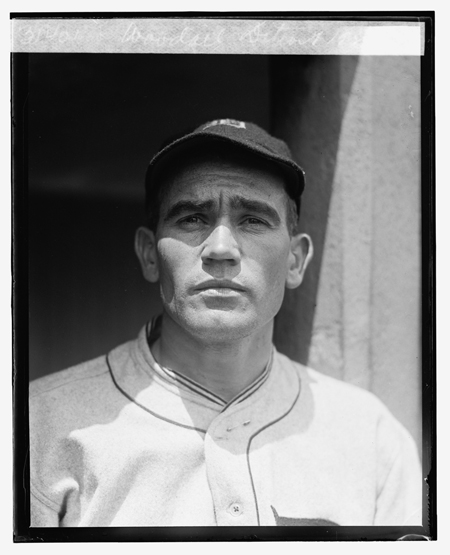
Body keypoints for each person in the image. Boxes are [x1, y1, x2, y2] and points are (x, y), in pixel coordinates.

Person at [29, 118, 422, 527]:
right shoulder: (41, 427)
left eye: (253, 220)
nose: (220, 249)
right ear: (150, 255)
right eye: (192, 218)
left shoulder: (370, 436)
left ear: (295, 261)